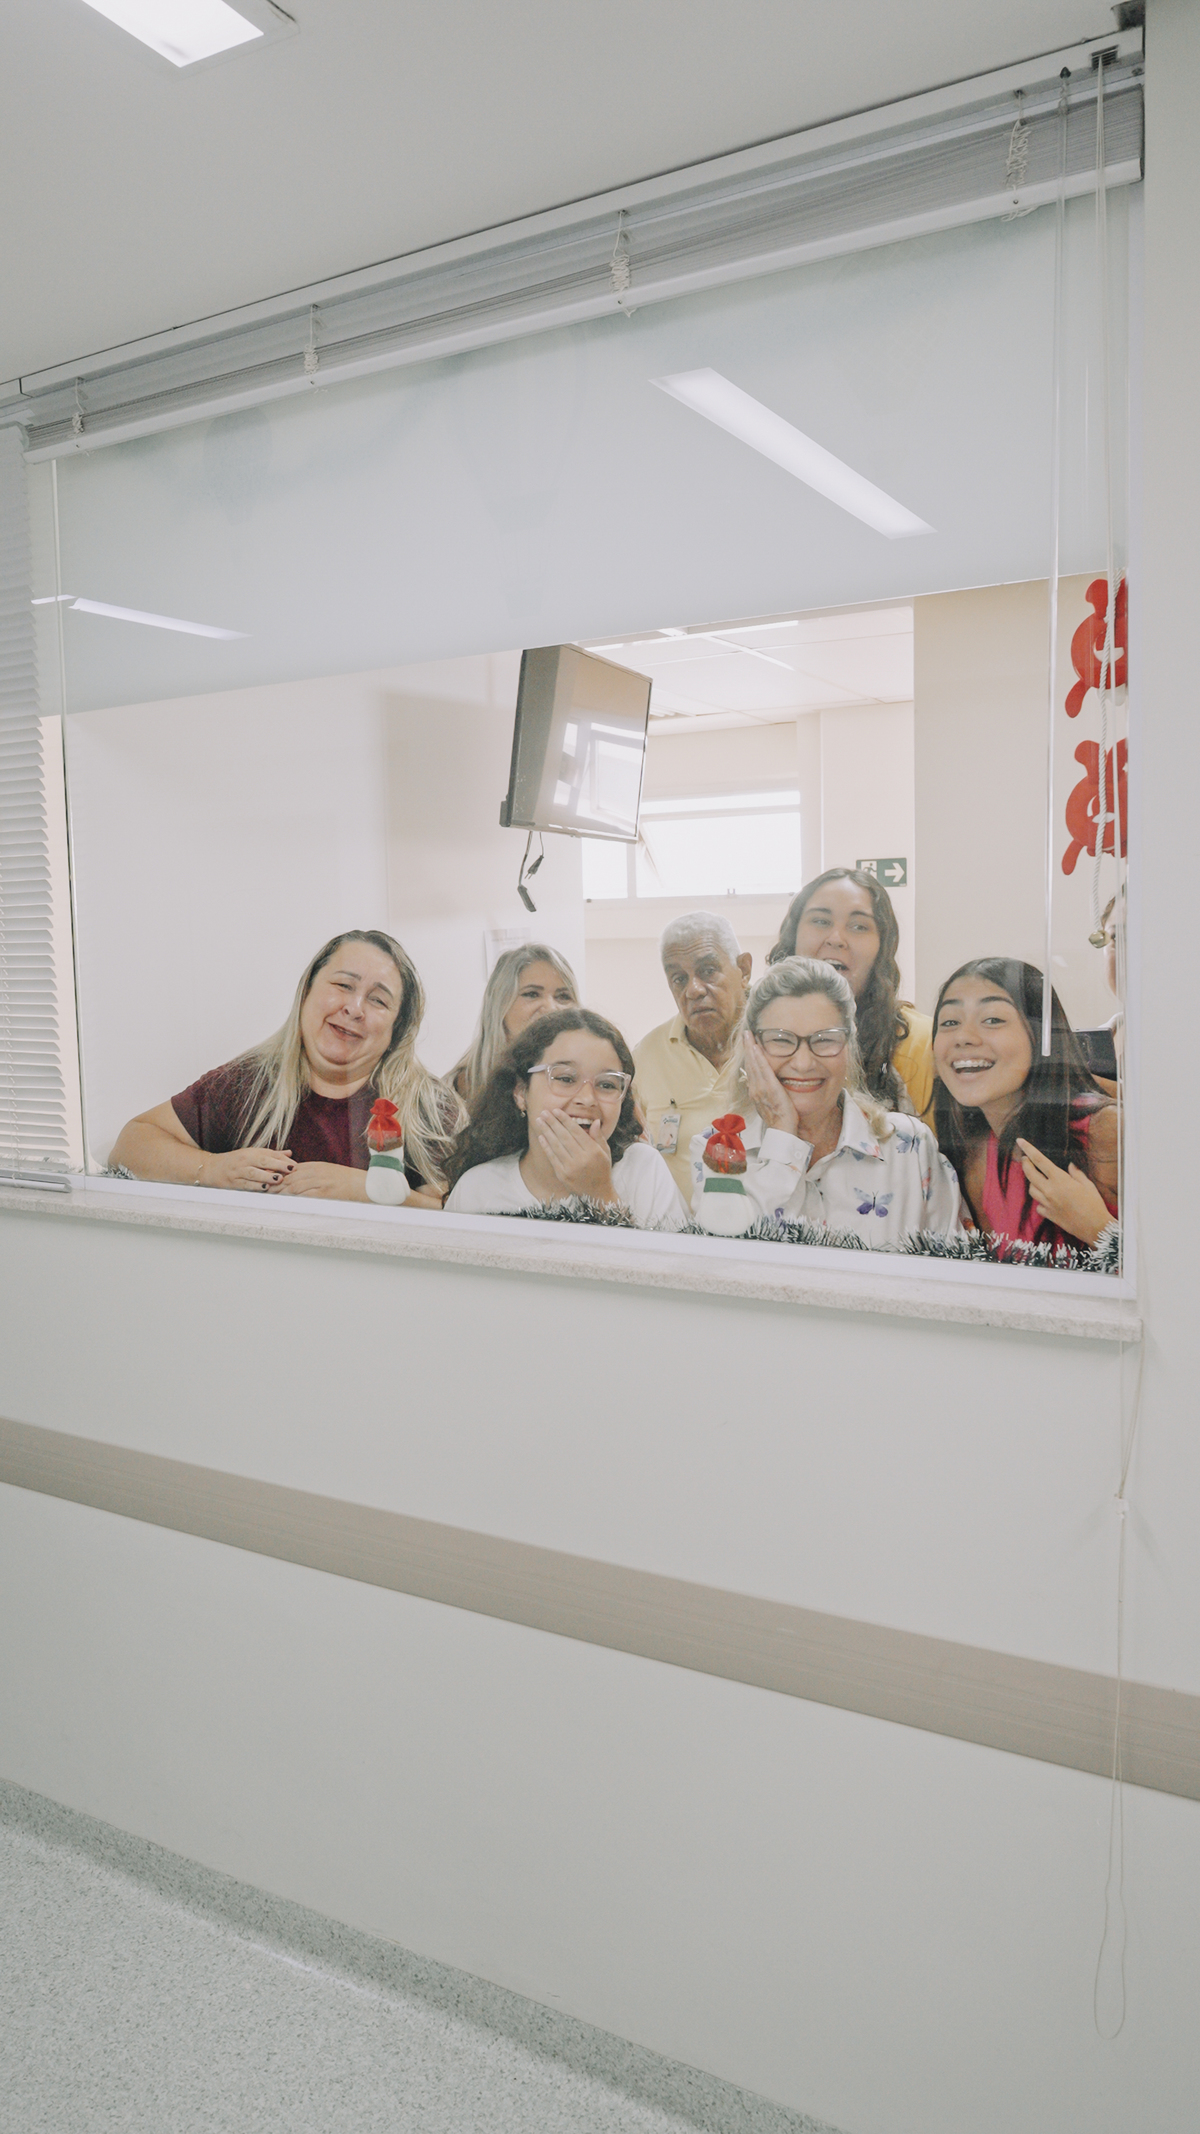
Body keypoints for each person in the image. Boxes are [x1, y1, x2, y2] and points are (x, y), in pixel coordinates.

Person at [109, 929, 463, 1204]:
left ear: (397, 1028)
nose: (354, 1008)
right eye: (343, 985)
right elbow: (132, 1144)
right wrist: (213, 1169)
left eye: (378, 1000)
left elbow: (459, 1213)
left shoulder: (429, 1108)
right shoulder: (245, 1083)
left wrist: (371, 1193)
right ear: (307, 991)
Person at [691, 957, 959, 1244]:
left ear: (848, 1047)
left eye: (825, 1039)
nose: (803, 1063)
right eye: (781, 1039)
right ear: (751, 1048)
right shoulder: (718, 1148)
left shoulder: (910, 1147)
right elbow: (726, 1260)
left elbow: (956, 1265)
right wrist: (782, 1133)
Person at [931, 957, 1119, 1251]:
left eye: (993, 1019)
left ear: (1042, 1037)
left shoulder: (1106, 1131)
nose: (963, 1037)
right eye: (950, 1022)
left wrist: (1097, 1227)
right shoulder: (976, 1151)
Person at [446, 1007, 689, 1230]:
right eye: (565, 1079)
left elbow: (670, 1263)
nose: (587, 1099)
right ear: (521, 1092)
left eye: (606, 1084)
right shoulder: (477, 1189)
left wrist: (601, 1195)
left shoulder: (644, 1170)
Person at [767, 869, 933, 1121]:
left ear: (882, 948)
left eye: (859, 926)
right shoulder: (756, 1037)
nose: (836, 939)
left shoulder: (920, 1042)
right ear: (793, 936)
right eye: (821, 921)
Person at [632, 912, 753, 1194]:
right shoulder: (645, 1057)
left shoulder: (778, 1043)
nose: (693, 990)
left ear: (744, 970)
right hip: (675, 1221)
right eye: (679, 979)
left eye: (708, 971)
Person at [450, 943, 578, 1110]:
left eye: (563, 996)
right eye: (532, 994)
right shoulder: (465, 1085)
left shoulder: (588, 1079)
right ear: (500, 1005)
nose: (551, 1008)